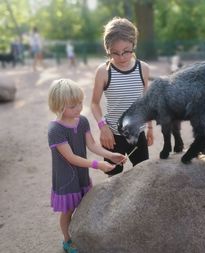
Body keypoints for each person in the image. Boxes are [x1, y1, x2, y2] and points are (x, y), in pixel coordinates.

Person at [48, 78, 126, 253]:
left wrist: (110, 155)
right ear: (59, 105)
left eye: (80, 103)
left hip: (81, 174)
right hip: (66, 178)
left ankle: (81, 234)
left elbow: (91, 145)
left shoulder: (82, 121)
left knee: (83, 205)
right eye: (72, 105)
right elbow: (71, 158)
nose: (79, 108)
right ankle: (67, 240)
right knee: (68, 211)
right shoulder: (55, 130)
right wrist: (98, 165)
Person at [91, 17, 154, 177]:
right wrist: (103, 127)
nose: (122, 57)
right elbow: (94, 103)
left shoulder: (143, 69)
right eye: (115, 53)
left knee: (142, 174)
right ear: (108, 50)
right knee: (113, 176)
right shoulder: (104, 71)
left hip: (137, 135)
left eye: (126, 50)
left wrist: (150, 128)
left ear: (134, 44)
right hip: (112, 137)